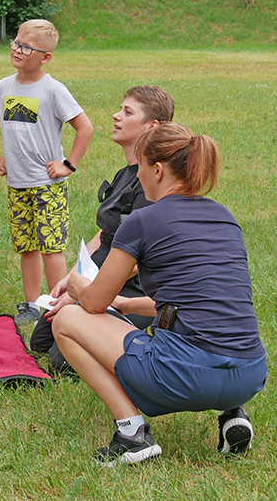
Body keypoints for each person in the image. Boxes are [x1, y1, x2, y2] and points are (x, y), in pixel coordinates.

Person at [51, 123, 267, 467]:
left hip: (189, 377)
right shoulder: (225, 217)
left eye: (138, 166)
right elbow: (195, 301)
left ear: (157, 169)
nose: (136, 174)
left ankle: (132, 434)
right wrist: (122, 303)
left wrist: (77, 285)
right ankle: (233, 414)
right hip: (250, 374)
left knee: (66, 319)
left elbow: (92, 303)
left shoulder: (142, 220)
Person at [26, 86, 175, 373]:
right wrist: (72, 277)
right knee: (41, 341)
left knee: (62, 362)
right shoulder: (125, 173)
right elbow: (103, 235)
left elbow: (136, 259)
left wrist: (90, 291)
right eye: (120, 108)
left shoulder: (152, 184)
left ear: (151, 126)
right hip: (98, 275)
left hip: (129, 287)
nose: (116, 116)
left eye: (127, 112)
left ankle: (137, 343)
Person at [0, 20, 93, 309]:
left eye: (26, 47)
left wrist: (68, 164)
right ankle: (32, 304)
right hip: (17, 185)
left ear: (45, 57)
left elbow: (85, 128)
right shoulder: (4, 86)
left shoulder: (53, 90)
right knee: (26, 247)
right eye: (16, 43)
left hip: (47, 187)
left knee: (51, 248)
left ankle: (59, 306)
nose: (17, 50)